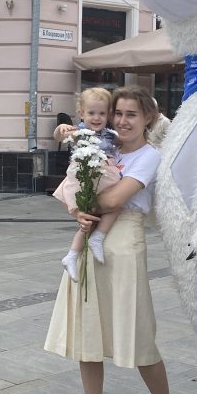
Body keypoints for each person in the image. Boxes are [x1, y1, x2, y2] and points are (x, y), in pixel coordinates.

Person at [44, 86, 179, 394]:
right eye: (118, 113)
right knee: (89, 336)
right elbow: (73, 179)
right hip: (91, 240)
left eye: (131, 114)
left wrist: (80, 201)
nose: (122, 120)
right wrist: (76, 211)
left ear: (148, 118)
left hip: (124, 247)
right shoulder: (104, 145)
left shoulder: (150, 156)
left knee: (140, 339)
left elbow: (117, 198)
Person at [53, 87, 122, 282]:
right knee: (101, 211)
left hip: (102, 177)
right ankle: (89, 244)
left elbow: (123, 144)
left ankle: (75, 254)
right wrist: (62, 128)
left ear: (108, 114)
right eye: (91, 113)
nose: (97, 118)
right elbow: (59, 136)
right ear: (81, 113)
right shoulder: (79, 131)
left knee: (108, 210)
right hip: (87, 176)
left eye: (102, 113)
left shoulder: (110, 134)